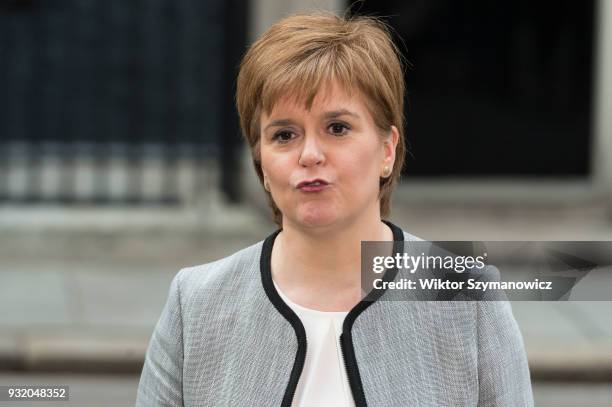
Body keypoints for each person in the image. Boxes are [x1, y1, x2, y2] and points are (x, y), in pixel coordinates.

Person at [136, 11, 533, 407]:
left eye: (337, 128)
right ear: (261, 162)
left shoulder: (468, 302)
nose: (310, 155)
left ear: (387, 151)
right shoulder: (196, 304)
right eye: (284, 135)